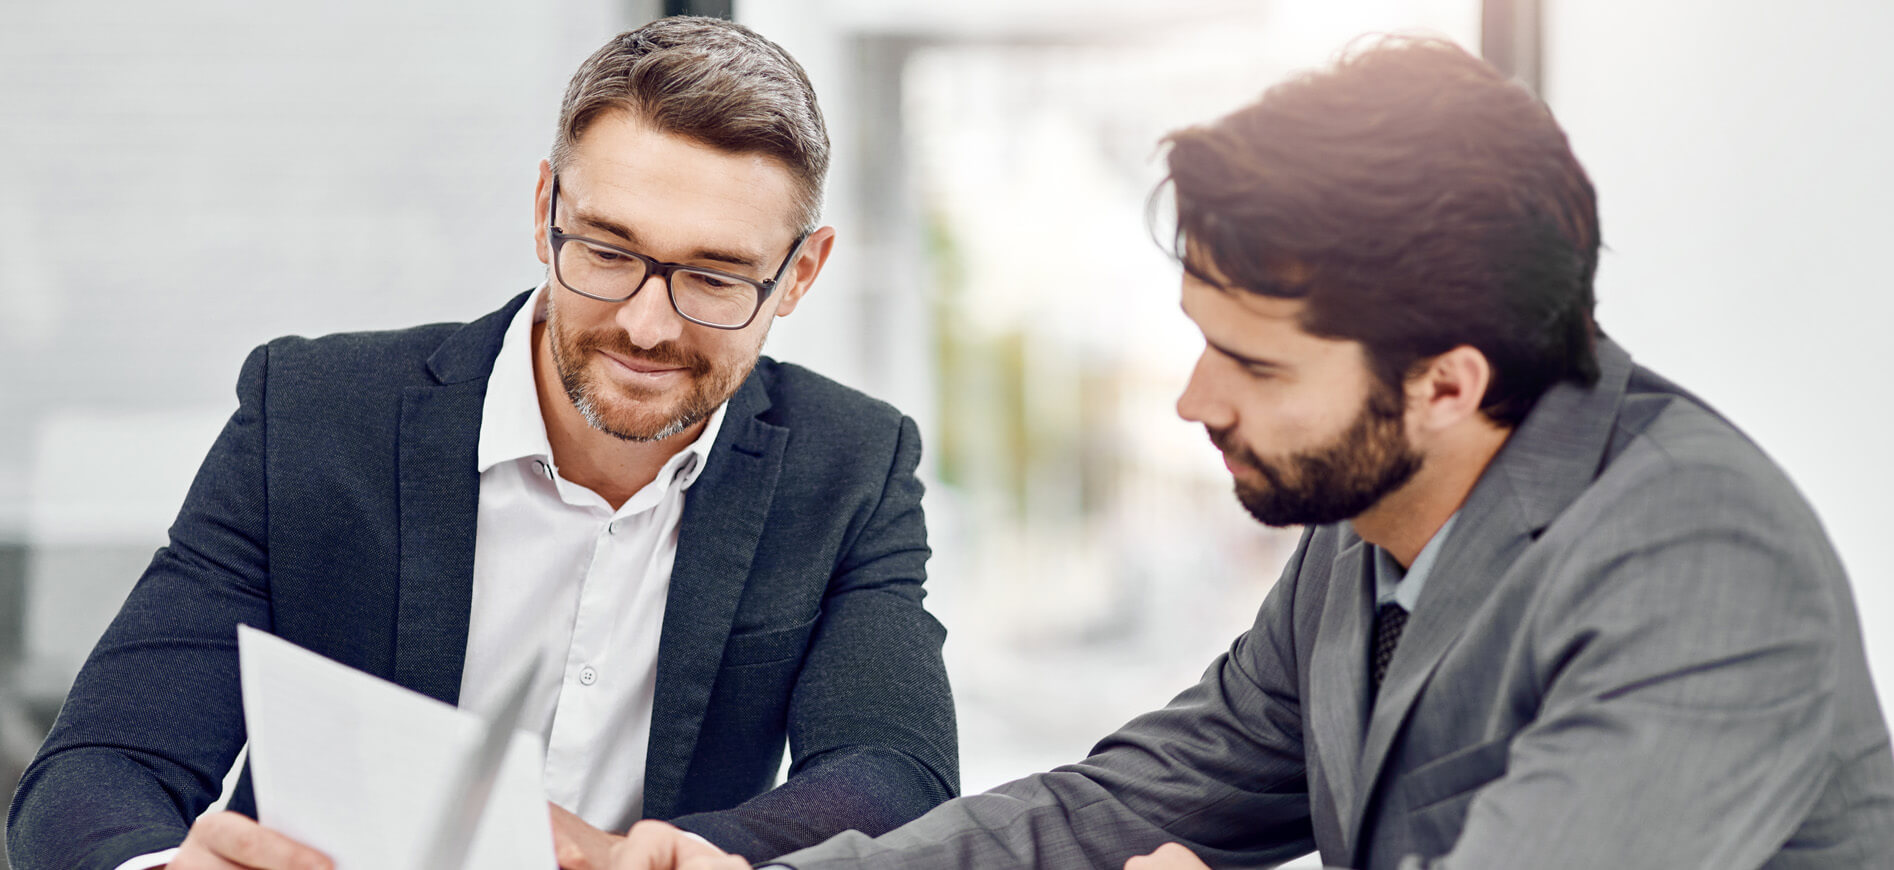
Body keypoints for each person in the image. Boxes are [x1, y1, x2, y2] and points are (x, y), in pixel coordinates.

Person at [598, 35, 1894, 870]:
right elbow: (1128, 798)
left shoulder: (1698, 560)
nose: (1192, 401)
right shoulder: (1373, 517)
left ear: (1446, 383)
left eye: (1257, 365)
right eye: (1204, 340)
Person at [6, 16, 958, 870]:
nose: (648, 326)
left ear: (801, 275)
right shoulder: (312, 416)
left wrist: (680, 856)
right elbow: (103, 767)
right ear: (546, 209)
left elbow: (894, 770)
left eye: (715, 278)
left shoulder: (852, 465)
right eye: (609, 251)